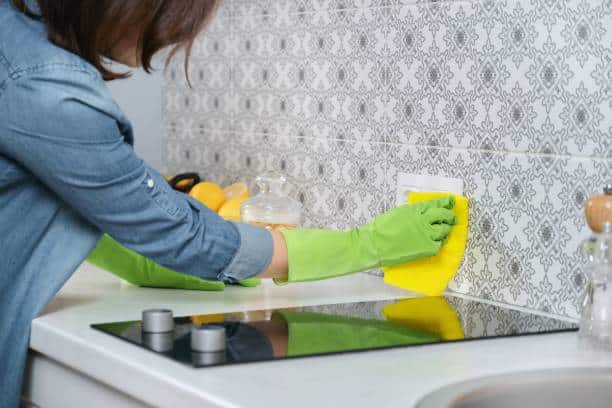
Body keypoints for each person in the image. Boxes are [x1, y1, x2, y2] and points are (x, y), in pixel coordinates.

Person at [0, 0, 456, 406]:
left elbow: (94, 210)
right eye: (167, 22)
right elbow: (185, 236)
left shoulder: (14, 38)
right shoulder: (50, 90)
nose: (164, 43)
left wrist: (174, 255)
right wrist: (365, 244)